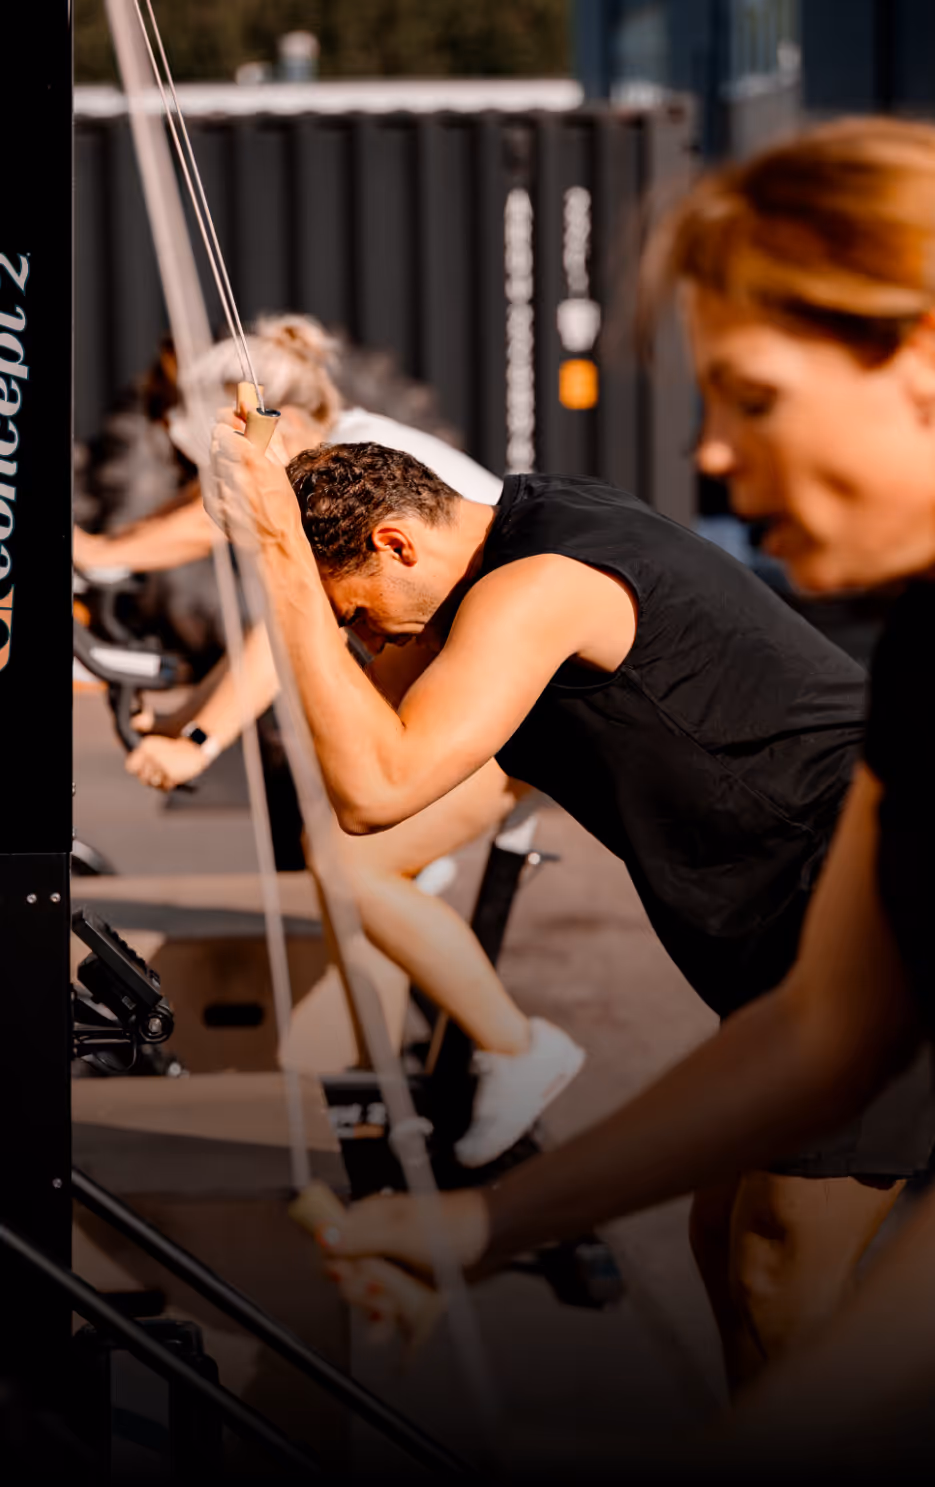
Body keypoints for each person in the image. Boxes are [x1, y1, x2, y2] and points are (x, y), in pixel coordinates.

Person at [222, 116, 935, 1469]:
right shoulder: (910, 658)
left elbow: (375, 785)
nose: (712, 455)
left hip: (794, 889)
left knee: (777, 1262)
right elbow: (818, 1033)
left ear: (916, 360)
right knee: (729, 1248)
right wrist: (477, 1224)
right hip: (795, 933)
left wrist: (275, 556)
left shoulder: (538, 580)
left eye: (751, 398)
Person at [75, 315, 586, 1168]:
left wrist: (197, 736)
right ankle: (408, 1060)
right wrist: (186, 713)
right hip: (483, 684)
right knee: (352, 861)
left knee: (348, 862)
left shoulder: (352, 480)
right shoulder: (343, 451)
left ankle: (515, 1047)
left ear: (260, 424)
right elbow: (271, 610)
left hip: (519, 696)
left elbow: (287, 631)